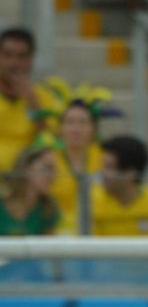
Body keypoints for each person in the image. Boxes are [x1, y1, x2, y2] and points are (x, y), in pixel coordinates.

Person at [43, 85, 112, 234]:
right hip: (56, 232)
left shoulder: (105, 156)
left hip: (100, 230)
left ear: (93, 128)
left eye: (82, 123)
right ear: (59, 128)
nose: (76, 129)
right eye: (70, 122)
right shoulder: (48, 159)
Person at [92, 136, 148, 236]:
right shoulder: (91, 204)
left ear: (130, 173)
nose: (102, 173)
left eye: (108, 167)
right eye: (102, 166)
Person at [0, 28, 50, 173]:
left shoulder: (43, 97)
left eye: (21, 57)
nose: (13, 63)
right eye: (7, 55)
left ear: (31, 60)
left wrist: (32, 102)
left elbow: (48, 142)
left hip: (26, 180)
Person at [0, 146, 60, 236]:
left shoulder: (48, 209)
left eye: (54, 170)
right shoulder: (2, 201)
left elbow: (47, 248)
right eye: (47, 168)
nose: (52, 175)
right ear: (26, 168)